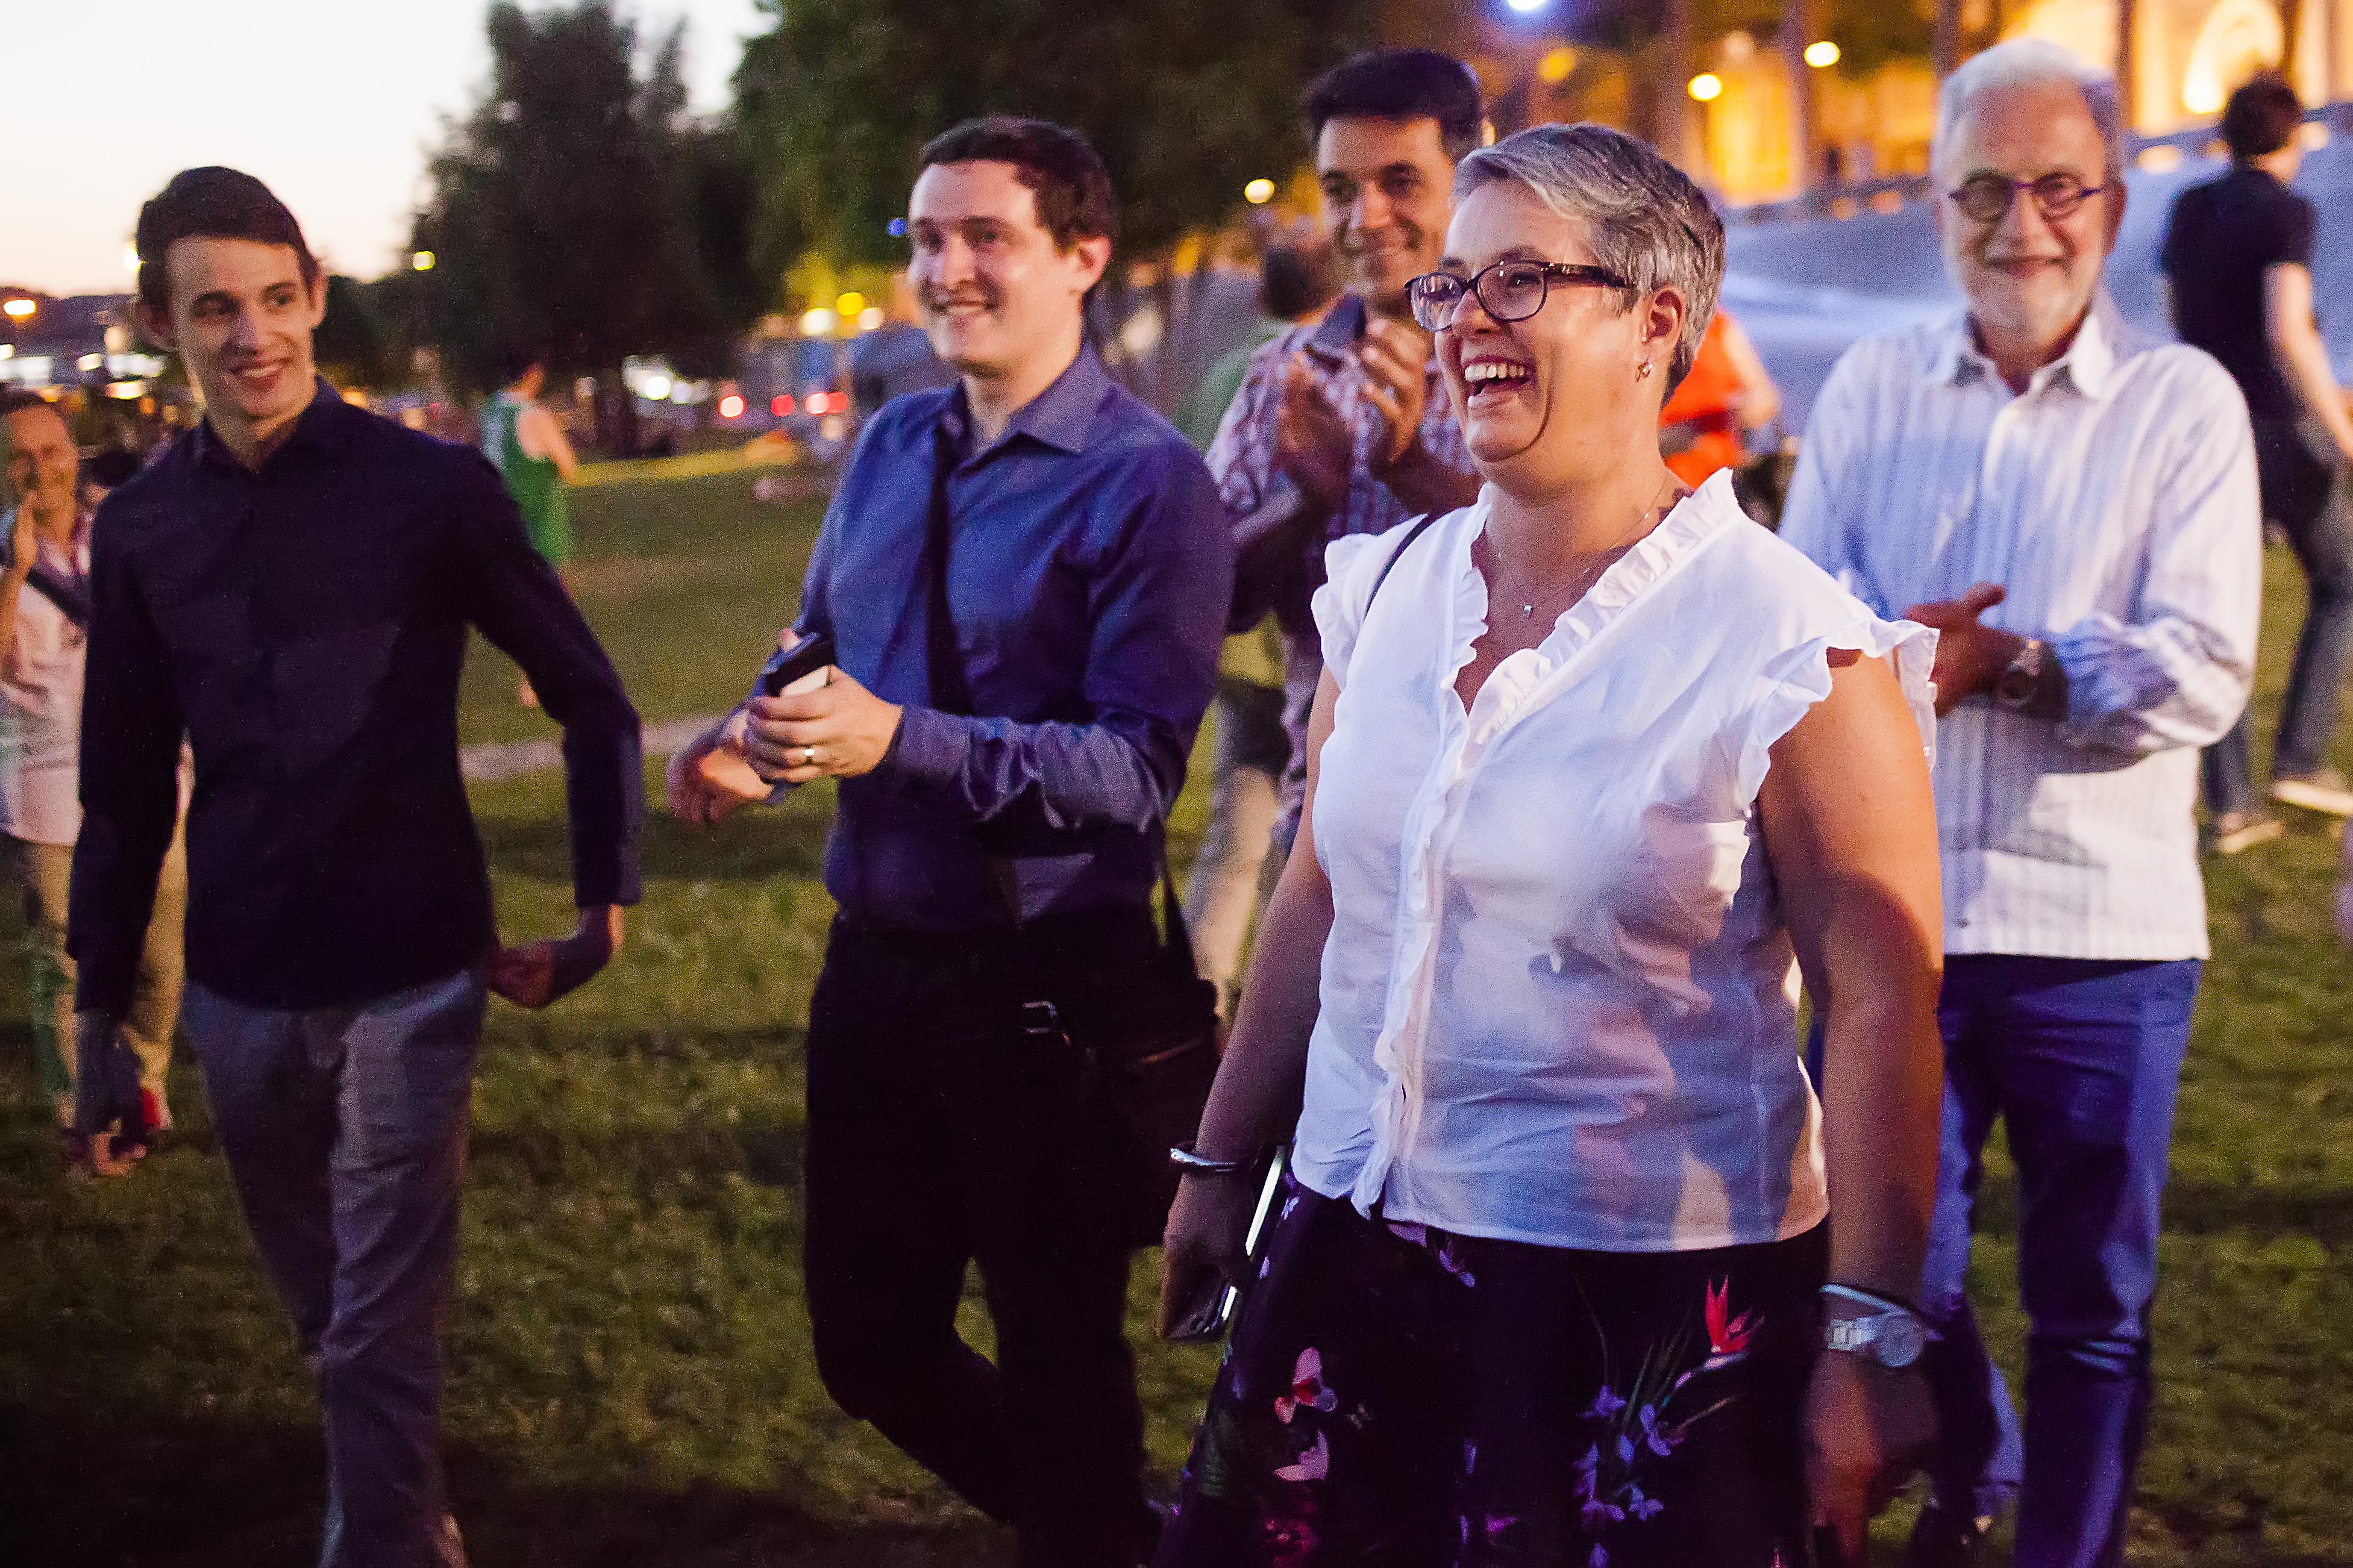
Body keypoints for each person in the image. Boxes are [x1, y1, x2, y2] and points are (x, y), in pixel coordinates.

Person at [1156, 121, 1946, 1568]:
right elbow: (1320, 891)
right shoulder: (1387, 591)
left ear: (1654, 321)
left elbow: (1882, 994)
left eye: (1516, 278)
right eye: (1449, 288)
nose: (1464, 323)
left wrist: (1871, 1326)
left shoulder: (1786, 644)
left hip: (1621, 1308)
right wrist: (1220, 1162)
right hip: (1345, 1248)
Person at [668, 118, 1232, 1568]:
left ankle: (1098, 1528)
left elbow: (1131, 773)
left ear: (1080, 257)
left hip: (1043, 993)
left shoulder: (1146, 482)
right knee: (866, 1341)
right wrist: (754, 732)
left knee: (1059, 1372)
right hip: (873, 968)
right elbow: (814, 642)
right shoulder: (889, 440)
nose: (947, 267)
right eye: (927, 238)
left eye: (986, 236)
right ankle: (1127, 1532)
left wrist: (892, 739)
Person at [70, 166, 644, 1567]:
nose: (252, 335)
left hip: (412, 967)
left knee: (376, 1320)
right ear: (163, 321)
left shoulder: (429, 488)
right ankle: (408, 1516)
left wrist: (600, 907)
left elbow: (592, 697)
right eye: (215, 308)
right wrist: (104, 1019)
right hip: (238, 988)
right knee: (338, 1317)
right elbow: (125, 790)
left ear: (316, 298)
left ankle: (379, 1542)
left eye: (276, 300)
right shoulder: (138, 528)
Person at [1780, 40, 2260, 1567]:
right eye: (1979, 189)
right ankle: (1972, 1453)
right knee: (1880, 1280)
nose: (2018, 225)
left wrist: (2016, 664)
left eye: (2054, 187)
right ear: (1933, 209)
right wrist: (1883, 651)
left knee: (2090, 1306)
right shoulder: (1864, 387)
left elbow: (2203, 669)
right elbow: (1795, 633)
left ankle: (2066, 1545)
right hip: (1886, 928)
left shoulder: (2181, 403)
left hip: (2096, 932)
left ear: (2111, 207)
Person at [1209, 49, 1484, 853]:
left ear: (1467, 180)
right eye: (1338, 190)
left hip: (1508, 825)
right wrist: (1304, 506)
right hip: (1325, 828)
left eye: (1399, 182)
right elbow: (1214, 598)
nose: (1363, 219)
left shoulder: (1525, 354)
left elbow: (1581, 574)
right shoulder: (1282, 376)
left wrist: (1414, 472)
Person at [2160, 70, 2353, 848]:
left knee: (2225, 605)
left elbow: (2181, 318)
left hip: (2205, 425)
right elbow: (2285, 328)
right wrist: (2339, 433)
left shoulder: (2189, 208)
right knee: (2341, 581)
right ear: (2290, 139)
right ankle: (2299, 761)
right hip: (2275, 422)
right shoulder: (2285, 211)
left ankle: (2231, 805)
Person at [1, 392, 184, 1175]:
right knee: (66, 964)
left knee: (158, 958)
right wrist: (14, 575)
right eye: (19, 455)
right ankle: (85, 1119)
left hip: (144, 773)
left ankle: (142, 1079)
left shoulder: (124, 530)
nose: (41, 468)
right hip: (42, 780)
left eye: (51, 448)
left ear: (72, 450)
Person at [1179, 245, 1339, 1011]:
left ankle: (1199, 993)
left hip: (1241, 658)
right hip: (1297, 659)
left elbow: (1195, 494)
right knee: (1294, 842)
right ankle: (1275, 1002)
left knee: (1236, 836)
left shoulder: (1221, 373)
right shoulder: (1309, 372)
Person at [481, 350, 583, 707]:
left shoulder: (493, 411)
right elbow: (568, 464)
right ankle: (545, 682)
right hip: (540, 518)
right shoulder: (532, 413)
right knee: (554, 603)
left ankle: (533, 681)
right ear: (533, 373)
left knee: (523, 605)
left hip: (504, 516)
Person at [1658, 304, 1781, 489]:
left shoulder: (1718, 326)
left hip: (1719, 483)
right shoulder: (1645, 327)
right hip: (1662, 482)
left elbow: (1766, 399)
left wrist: (1732, 415)